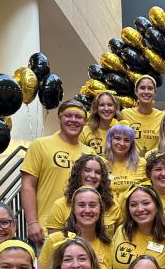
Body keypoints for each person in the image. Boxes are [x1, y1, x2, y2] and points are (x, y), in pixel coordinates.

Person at [21, 99, 94, 243]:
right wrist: (32, 222)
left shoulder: (89, 152)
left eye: (78, 117)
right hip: (47, 229)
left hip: (81, 230)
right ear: (60, 118)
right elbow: (27, 185)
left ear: (85, 122)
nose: (73, 120)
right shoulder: (40, 145)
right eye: (68, 116)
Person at [38, 187, 112, 269]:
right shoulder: (55, 241)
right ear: (73, 210)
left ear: (100, 209)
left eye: (93, 205)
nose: (87, 210)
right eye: (81, 205)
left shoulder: (109, 244)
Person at [110, 184, 165, 269]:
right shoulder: (120, 232)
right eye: (133, 205)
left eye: (146, 203)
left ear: (157, 206)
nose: (139, 209)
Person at [47, 154, 120, 237]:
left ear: (103, 177)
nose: (92, 175)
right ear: (78, 173)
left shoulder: (112, 205)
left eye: (98, 172)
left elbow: (118, 239)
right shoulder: (60, 205)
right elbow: (53, 244)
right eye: (87, 170)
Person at [102, 124, 147, 201]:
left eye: (126, 140)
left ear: (131, 144)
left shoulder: (141, 163)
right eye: (117, 138)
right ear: (110, 140)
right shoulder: (101, 163)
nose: (122, 143)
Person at [121, 74, 163, 154]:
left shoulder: (162, 116)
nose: (146, 91)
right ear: (136, 91)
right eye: (142, 88)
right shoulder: (125, 114)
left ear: (155, 92)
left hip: (155, 164)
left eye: (150, 88)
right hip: (132, 164)